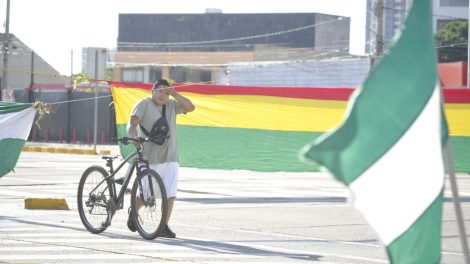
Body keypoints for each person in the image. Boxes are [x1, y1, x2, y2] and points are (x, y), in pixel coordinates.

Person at [126, 78, 195, 238]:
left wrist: (175, 93)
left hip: (170, 156)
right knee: (146, 195)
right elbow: (132, 124)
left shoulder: (172, 105)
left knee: (170, 193)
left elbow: (190, 107)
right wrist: (133, 136)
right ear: (152, 91)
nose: (162, 94)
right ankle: (134, 212)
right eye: (159, 90)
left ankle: (163, 225)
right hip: (148, 156)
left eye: (166, 91)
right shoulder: (144, 104)